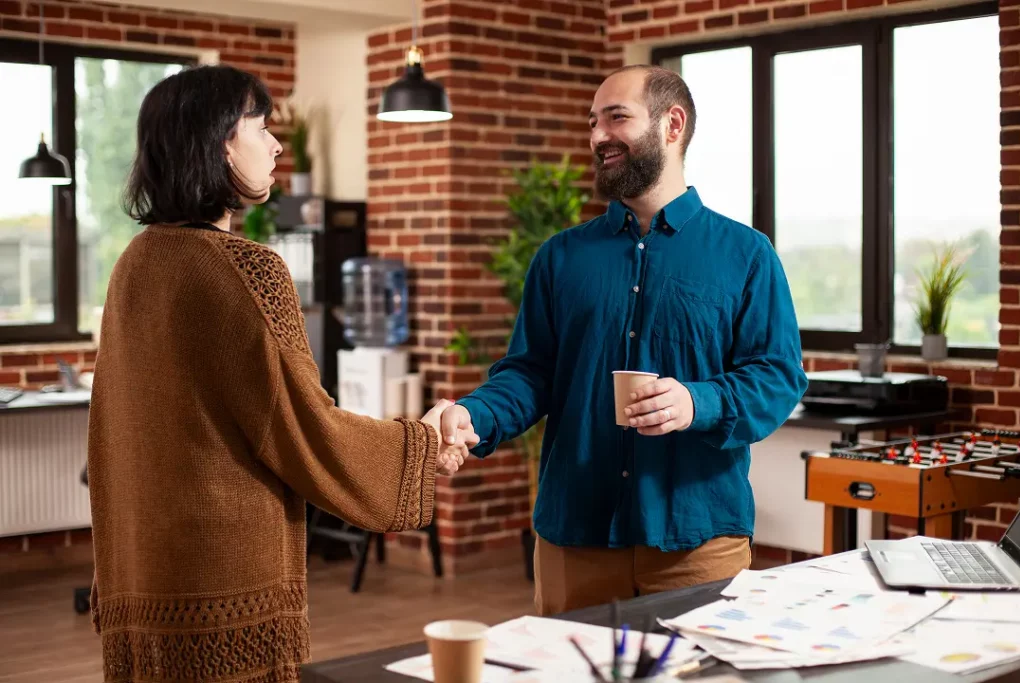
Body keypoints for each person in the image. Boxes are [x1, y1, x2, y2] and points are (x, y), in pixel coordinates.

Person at [86, 64, 474, 683]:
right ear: (220, 143)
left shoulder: (135, 263)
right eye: (261, 127)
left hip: (145, 571)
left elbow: (110, 426)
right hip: (225, 577)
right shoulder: (248, 269)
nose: (275, 146)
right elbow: (300, 426)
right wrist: (423, 443)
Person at [440, 65, 807, 616]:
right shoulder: (560, 257)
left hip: (697, 539)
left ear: (672, 125)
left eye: (616, 118)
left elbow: (777, 377)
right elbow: (531, 373)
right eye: (593, 122)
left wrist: (697, 402)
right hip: (574, 537)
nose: (598, 137)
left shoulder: (747, 255)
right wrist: (475, 415)